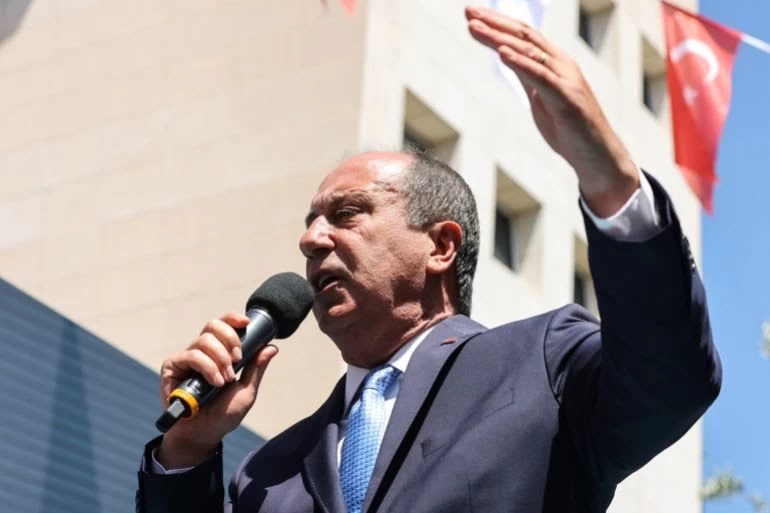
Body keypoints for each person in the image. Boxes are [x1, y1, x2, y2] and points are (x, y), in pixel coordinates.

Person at [135, 5, 721, 513]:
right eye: (310, 223)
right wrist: (186, 451)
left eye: (346, 214)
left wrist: (610, 178)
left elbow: (670, 380)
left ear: (440, 246)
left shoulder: (540, 365)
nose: (311, 240)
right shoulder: (267, 472)